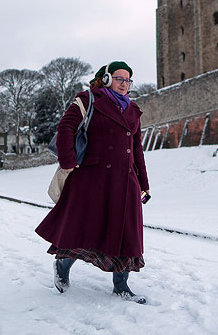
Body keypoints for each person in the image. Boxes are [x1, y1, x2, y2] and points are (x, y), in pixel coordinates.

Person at [35, 61, 151, 304]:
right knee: (83, 230)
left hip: (125, 180)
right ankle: (62, 266)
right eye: (119, 78)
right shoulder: (89, 99)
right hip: (92, 178)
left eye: (128, 80)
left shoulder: (133, 110)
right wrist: (68, 161)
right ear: (106, 79)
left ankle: (121, 286)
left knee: (126, 233)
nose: (124, 84)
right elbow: (66, 127)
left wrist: (143, 181)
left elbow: (136, 148)